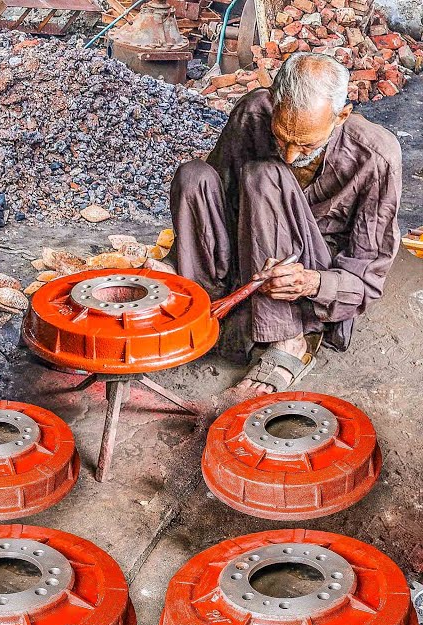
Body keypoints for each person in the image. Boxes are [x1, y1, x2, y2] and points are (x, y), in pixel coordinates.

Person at [165, 52, 401, 395]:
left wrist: (310, 282)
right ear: (273, 102)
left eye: (305, 143)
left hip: (307, 281)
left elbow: (366, 280)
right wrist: (175, 261)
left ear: (342, 116)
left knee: (266, 175)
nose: (290, 154)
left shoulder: (376, 156)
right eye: (281, 136)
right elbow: (212, 204)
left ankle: (288, 341)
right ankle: (203, 309)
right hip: (250, 260)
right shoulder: (253, 112)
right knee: (193, 176)